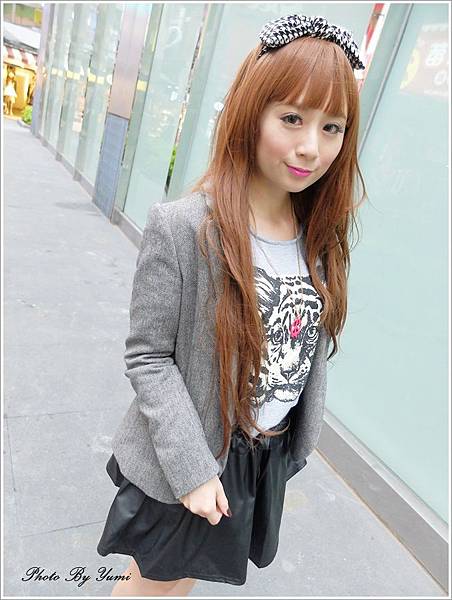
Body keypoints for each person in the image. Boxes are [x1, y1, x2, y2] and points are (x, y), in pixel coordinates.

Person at [96, 13, 367, 597]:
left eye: (332, 127)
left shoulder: (318, 235)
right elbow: (147, 357)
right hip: (190, 450)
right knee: (151, 586)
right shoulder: (184, 227)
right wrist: (193, 470)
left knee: (188, 576)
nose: (311, 146)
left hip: (257, 457)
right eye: (292, 118)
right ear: (252, 112)